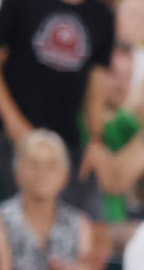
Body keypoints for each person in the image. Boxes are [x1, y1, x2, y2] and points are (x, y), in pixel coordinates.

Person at [2, 132, 105, 270]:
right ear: (18, 173)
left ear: (64, 176)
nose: (42, 174)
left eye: (51, 166)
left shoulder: (79, 225)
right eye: (34, 164)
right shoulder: (3, 222)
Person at [0, 0, 115, 172]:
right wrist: (16, 128)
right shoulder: (19, 3)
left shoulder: (103, 16)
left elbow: (96, 86)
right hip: (9, 140)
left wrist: (95, 140)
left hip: (66, 146)